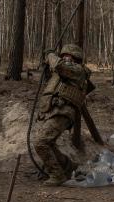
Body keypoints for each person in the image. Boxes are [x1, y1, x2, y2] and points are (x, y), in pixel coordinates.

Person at [33, 44, 94, 186]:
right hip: (52, 110)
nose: (66, 58)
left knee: (40, 142)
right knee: (48, 143)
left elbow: (60, 65)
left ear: (77, 59)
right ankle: (68, 166)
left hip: (63, 111)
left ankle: (57, 175)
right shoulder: (61, 73)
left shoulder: (78, 70)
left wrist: (50, 55)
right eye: (64, 55)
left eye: (70, 56)